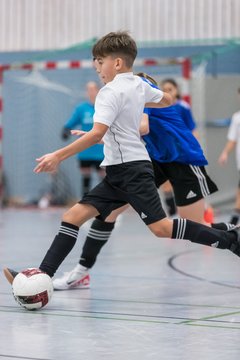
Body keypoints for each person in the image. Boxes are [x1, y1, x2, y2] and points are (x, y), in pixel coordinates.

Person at [3, 32, 240, 301]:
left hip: (133, 170)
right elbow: (166, 100)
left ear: (116, 63)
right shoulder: (139, 85)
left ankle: (231, 240)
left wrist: (58, 155)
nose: (98, 71)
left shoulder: (110, 92)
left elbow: (96, 133)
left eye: (100, 65)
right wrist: (134, 111)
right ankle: (43, 277)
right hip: (120, 170)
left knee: (161, 228)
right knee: (72, 217)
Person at [52, 73, 235, 290]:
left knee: (196, 225)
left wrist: (101, 131)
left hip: (182, 158)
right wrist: (101, 133)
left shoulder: (139, 90)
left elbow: (143, 126)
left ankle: (234, 232)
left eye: (102, 62)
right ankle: (81, 272)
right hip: (154, 158)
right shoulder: (126, 96)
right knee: (109, 212)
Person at [159, 78, 199, 216]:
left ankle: (188, 210)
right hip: (165, 151)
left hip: (182, 151)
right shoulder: (157, 107)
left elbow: (192, 129)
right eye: (164, 90)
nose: (167, 92)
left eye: (170, 89)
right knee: (165, 183)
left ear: (176, 90)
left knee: (183, 181)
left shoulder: (183, 107)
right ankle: (172, 213)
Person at [62, 81, 105, 196]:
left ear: (98, 91)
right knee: (86, 177)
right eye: (88, 90)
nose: (91, 92)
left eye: (93, 89)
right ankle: (85, 203)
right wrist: (65, 130)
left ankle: (107, 203)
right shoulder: (81, 108)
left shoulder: (104, 107)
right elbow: (72, 122)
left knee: (104, 177)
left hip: (101, 149)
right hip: (86, 150)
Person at [218, 88, 240, 225]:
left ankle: (235, 217)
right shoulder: (237, 118)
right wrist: (225, 153)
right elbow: (233, 139)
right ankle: (235, 217)